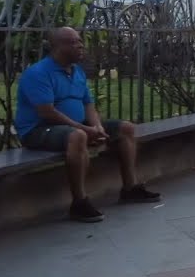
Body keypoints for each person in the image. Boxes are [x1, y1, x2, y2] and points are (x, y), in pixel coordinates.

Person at [15, 27, 161, 223]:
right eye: (73, 42)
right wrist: (85, 130)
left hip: (77, 126)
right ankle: (79, 202)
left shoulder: (77, 72)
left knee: (126, 128)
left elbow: (88, 103)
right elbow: (47, 112)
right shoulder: (38, 73)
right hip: (38, 129)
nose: (80, 45)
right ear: (58, 47)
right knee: (78, 137)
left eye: (79, 40)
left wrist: (97, 127)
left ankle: (130, 188)